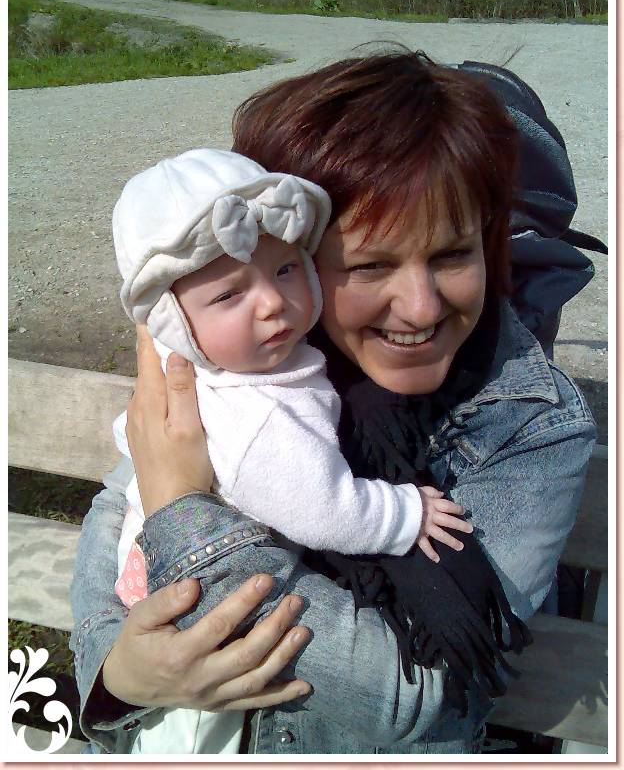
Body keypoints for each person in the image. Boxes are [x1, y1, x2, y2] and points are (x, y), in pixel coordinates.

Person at [69, 48, 596, 754]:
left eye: (452, 255)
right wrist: (117, 677)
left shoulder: (528, 425)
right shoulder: (243, 363)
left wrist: (185, 516)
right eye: (369, 265)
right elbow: (120, 509)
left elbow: (416, 694)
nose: (420, 307)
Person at [109, 147, 472, 753]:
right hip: (200, 606)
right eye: (228, 296)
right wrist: (404, 514)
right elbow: (320, 508)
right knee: (194, 738)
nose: (272, 302)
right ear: (175, 324)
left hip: (171, 582)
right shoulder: (256, 415)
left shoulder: (236, 373)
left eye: (285, 270)